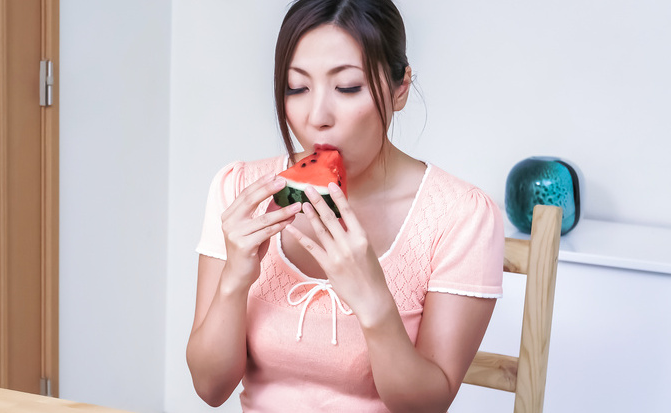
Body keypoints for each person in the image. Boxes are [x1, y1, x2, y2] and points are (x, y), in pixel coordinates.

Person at [186, 1, 504, 412]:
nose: (317, 116)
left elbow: (426, 407)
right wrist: (234, 279)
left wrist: (374, 302)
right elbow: (210, 390)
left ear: (400, 88)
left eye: (348, 87)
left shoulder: (461, 216)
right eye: (296, 88)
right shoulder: (239, 191)